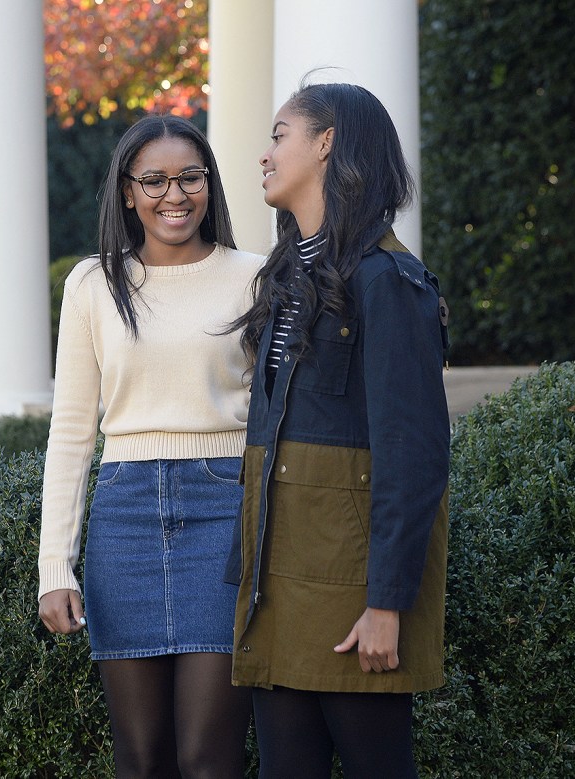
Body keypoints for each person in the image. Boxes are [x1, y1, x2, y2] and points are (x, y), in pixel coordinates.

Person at [227, 82, 451, 778]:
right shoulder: (287, 275)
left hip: (351, 592)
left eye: (280, 134)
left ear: (327, 143)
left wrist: (387, 603)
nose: (266, 155)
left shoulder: (389, 280)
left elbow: (412, 455)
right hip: (278, 579)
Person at [38, 114, 264, 778]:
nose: (175, 195)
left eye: (190, 177)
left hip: (224, 513)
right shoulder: (92, 284)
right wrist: (55, 564)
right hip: (125, 518)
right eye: (156, 180)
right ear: (128, 193)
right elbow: (74, 432)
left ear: (209, 184)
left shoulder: (257, 277)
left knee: (207, 759)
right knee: (139, 759)